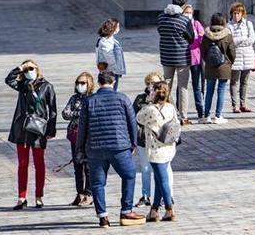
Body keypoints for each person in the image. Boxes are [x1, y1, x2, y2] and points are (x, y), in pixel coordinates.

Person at [75, 71, 147, 228]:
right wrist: (133, 143)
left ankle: (103, 217)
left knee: (98, 183)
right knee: (129, 175)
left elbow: (82, 128)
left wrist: (79, 148)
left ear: (99, 83)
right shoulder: (122, 98)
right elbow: (132, 123)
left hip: (95, 148)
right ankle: (126, 211)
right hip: (119, 147)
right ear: (113, 82)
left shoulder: (89, 101)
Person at [5, 60, 57, 209]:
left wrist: (51, 129)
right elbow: (8, 80)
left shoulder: (47, 86)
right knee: (22, 164)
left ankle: (39, 196)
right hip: (23, 128)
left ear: (37, 69)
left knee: (39, 164)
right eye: (27, 69)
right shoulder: (23, 85)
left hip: (38, 129)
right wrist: (19, 68)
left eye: (31, 68)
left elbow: (52, 109)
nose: (29, 71)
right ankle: (22, 197)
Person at [137, 81, 178, 222]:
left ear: (154, 93)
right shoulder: (171, 108)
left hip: (156, 150)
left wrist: (149, 102)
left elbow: (138, 118)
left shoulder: (150, 109)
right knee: (159, 178)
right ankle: (154, 210)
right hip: (169, 147)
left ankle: (169, 209)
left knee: (163, 180)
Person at [132, 72, 173, 208]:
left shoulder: (168, 103)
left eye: (155, 84)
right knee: (145, 168)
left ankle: (167, 199)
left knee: (164, 171)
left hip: (163, 143)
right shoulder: (141, 99)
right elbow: (136, 119)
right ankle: (146, 197)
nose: (152, 87)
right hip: (145, 140)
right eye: (149, 83)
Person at [157, 0, 195, 125]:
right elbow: (191, 38)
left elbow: (160, 31)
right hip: (182, 58)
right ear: (183, 5)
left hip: (166, 56)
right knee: (183, 87)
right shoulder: (184, 20)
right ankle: (183, 117)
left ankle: (164, 113)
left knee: (165, 86)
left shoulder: (161, 17)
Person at [62, 71, 95, 207]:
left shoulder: (93, 98)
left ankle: (88, 194)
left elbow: (91, 115)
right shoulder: (74, 98)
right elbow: (65, 113)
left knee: (88, 166)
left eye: (83, 83)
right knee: (77, 166)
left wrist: (76, 114)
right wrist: (79, 113)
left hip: (89, 136)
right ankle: (79, 193)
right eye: (78, 83)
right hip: (75, 135)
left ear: (90, 84)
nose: (79, 85)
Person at [200, 13, 236, 124]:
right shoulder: (227, 35)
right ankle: (218, 116)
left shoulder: (206, 35)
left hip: (210, 67)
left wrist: (208, 61)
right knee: (221, 90)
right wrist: (229, 63)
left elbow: (203, 52)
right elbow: (232, 53)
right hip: (223, 67)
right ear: (223, 22)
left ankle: (206, 116)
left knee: (209, 91)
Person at [227, 2, 255, 113]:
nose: (236, 16)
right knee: (234, 81)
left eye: (238, 13)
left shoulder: (248, 24)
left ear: (242, 14)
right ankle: (235, 105)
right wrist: (243, 40)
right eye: (234, 13)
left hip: (248, 55)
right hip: (236, 56)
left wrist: (240, 41)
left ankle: (243, 103)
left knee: (245, 81)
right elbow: (231, 42)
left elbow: (251, 39)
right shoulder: (229, 26)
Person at [183, 4, 206, 119]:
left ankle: (200, 110)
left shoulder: (196, 24)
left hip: (196, 59)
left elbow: (202, 37)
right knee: (182, 86)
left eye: (190, 12)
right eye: (186, 12)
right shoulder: (181, 24)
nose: (188, 14)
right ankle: (181, 110)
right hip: (184, 59)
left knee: (197, 86)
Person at [95, 18, 127, 91]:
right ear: (113, 28)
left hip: (111, 71)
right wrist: (115, 70)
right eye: (118, 27)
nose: (118, 29)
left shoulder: (109, 39)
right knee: (111, 91)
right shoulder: (106, 41)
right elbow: (109, 57)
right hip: (110, 72)